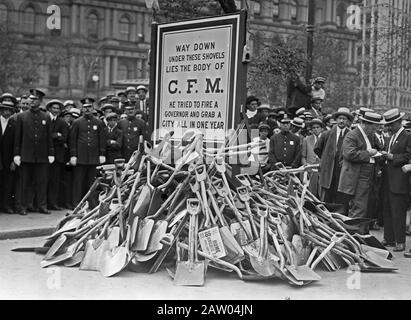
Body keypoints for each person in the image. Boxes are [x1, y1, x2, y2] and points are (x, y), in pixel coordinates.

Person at [338, 111, 383, 234]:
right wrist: (368, 153)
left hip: (369, 176)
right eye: (373, 127)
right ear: (365, 124)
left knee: (367, 208)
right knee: (359, 208)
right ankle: (354, 237)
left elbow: (379, 148)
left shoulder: (370, 135)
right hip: (357, 178)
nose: (375, 130)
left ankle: (362, 234)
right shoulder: (352, 135)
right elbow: (349, 154)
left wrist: (380, 152)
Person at [14, 94, 54, 215]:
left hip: (42, 156)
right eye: (30, 99)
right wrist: (17, 154)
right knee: (24, 183)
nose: (31, 101)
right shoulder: (22, 116)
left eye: (34, 99)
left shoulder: (46, 117)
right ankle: (23, 206)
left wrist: (51, 153)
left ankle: (42, 206)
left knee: (42, 182)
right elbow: (18, 137)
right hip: (26, 155)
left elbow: (49, 137)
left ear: (40, 101)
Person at [378, 109, 411, 253]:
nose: (387, 127)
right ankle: (389, 238)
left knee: (398, 212)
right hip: (387, 180)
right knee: (387, 209)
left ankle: (400, 241)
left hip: (399, 181)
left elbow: (408, 156)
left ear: (398, 122)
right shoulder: (389, 137)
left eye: (390, 124)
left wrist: (392, 157)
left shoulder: (407, 136)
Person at [314, 107, 353, 213]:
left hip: (343, 171)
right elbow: (317, 148)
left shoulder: (351, 134)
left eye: (344, 119)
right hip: (329, 170)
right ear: (336, 119)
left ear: (347, 121)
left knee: (342, 197)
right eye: (340, 118)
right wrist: (326, 159)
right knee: (327, 196)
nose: (341, 121)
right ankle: (326, 219)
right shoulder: (327, 134)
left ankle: (340, 221)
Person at [70, 103, 106, 208]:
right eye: (85, 107)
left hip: (93, 157)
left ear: (93, 108)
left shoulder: (98, 122)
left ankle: (91, 203)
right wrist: (73, 155)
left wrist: (102, 153)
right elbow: (73, 139)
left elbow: (101, 139)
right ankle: (76, 203)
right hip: (80, 157)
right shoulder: (77, 122)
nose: (87, 109)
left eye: (89, 107)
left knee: (92, 182)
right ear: (82, 109)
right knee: (78, 181)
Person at [46, 99, 69, 211]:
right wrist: (56, 135)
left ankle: (53, 203)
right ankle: (42, 203)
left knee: (55, 181)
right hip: (44, 155)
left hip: (58, 156)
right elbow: (42, 136)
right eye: (53, 108)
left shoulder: (62, 123)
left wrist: (51, 136)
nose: (55, 110)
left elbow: (64, 138)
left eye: (57, 108)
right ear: (49, 108)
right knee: (43, 179)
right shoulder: (44, 119)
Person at [0, 101, 17, 214]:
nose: (6, 111)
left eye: (9, 110)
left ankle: (6, 205)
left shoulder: (14, 124)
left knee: (8, 183)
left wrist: (14, 160)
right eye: (4, 109)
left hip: (8, 159)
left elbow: (16, 143)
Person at [302, 118, 323, 197]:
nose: (316, 129)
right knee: (312, 191)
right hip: (310, 170)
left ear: (321, 128)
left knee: (322, 191)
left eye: (317, 127)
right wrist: (306, 166)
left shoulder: (326, 138)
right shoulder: (307, 140)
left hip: (322, 169)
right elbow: (303, 156)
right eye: (313, 128)